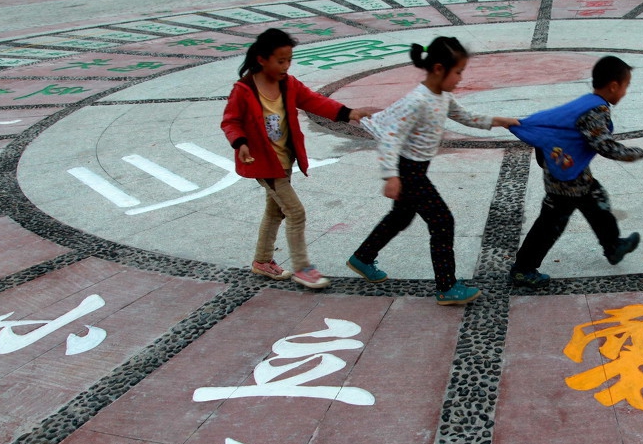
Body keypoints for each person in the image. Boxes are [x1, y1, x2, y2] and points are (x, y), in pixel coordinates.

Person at [347, 37, 520, 306]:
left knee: (401, 217)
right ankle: (446, 286)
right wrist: (391, 176)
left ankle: (363, 257)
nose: (461, 78)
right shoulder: (417, 101)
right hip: (408, 170)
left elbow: (467, 117)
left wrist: (500, 121)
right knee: (442, 221)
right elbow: (390, 138)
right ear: (439, 69)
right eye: (458, 72)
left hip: (415, 167)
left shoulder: (442, 97)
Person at [221, 28, 372, 288]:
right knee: (295, 212)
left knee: (275, 211)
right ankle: (303, 268)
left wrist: (348, 113)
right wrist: (240, 142)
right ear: (261, 59)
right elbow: (230, 121)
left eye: (289, 60)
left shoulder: (288, 84)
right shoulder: (244, 89)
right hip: (263, 163)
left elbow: (314, 101)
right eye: (280, 61)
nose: (286, 66)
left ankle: (262, 261)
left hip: (285, 160)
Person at [506, 55, 643, 289]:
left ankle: (613, 247)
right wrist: (633, 153)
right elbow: (603, 145)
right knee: (551, 224)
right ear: (614, 86)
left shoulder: (587, 101)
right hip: (567, 181)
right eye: (626, 86)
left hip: (573, 174)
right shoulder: (595, 110)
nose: (625, 92)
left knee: (598, 202)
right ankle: (522, 269)